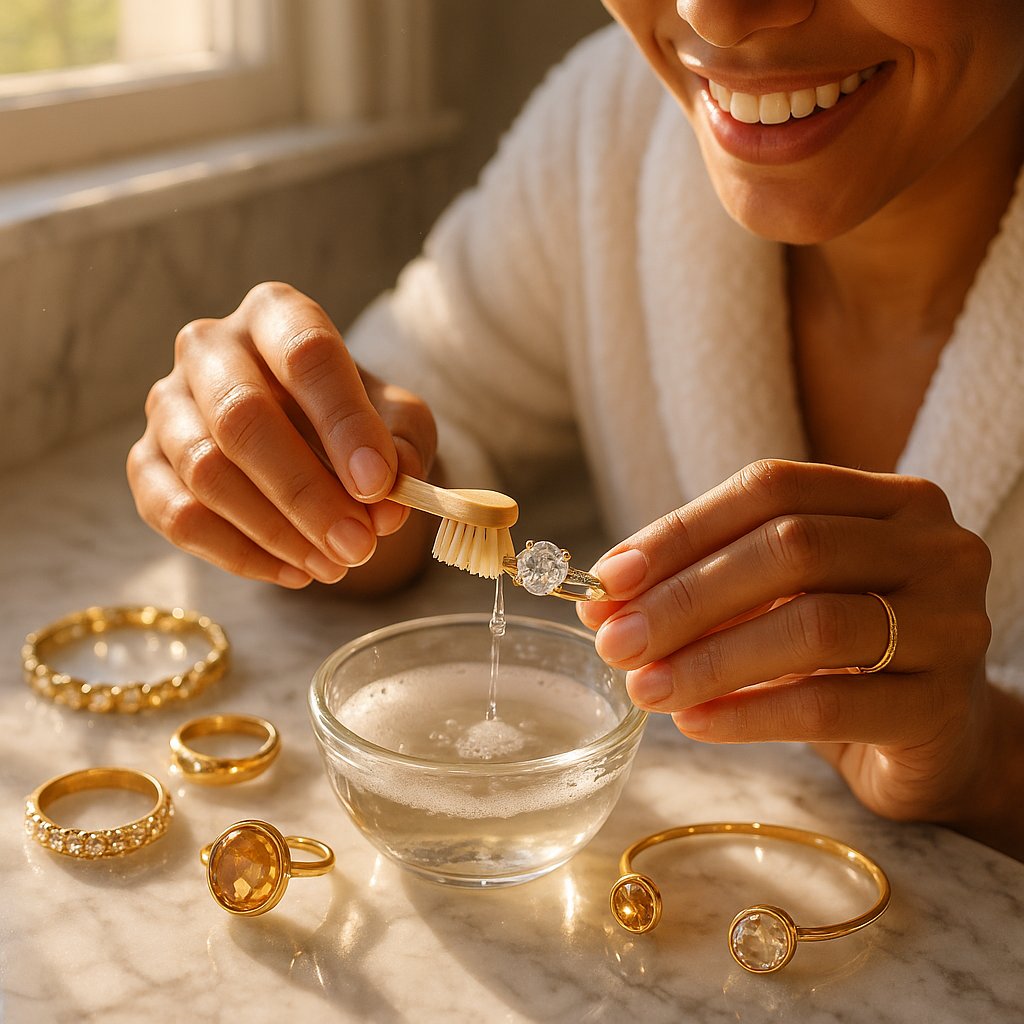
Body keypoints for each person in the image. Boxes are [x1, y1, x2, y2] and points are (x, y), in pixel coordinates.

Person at [127, 1, 1024, 859]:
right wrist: (308, 462)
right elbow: (437, 414)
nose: (714, 13)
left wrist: (992, 765)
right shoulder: (613, 129)